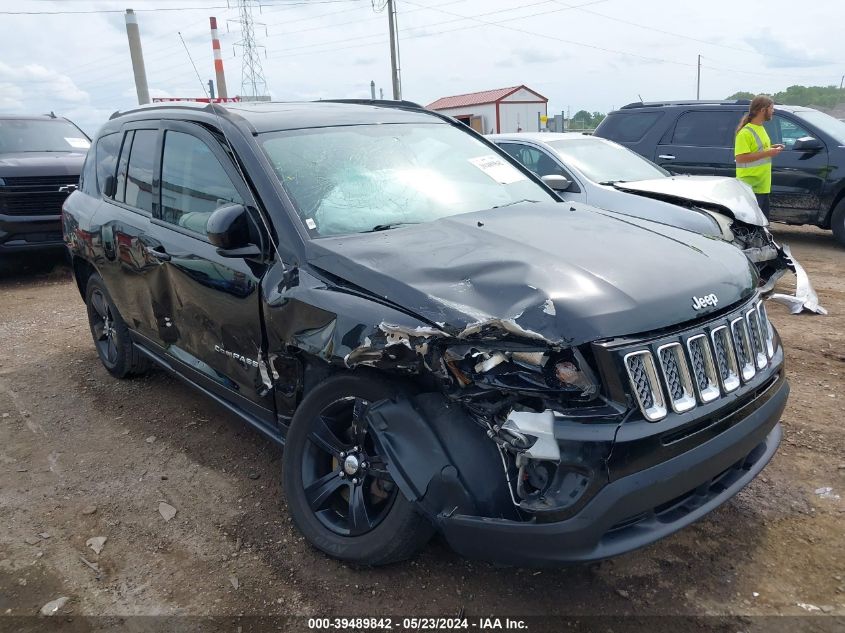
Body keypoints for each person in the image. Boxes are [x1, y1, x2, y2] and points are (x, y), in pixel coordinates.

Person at [734, 95, 784, 219]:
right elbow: (741, 158)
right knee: (751, 225)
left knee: (762, 225)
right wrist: (768, 153)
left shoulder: (760, 128)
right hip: (751, 186)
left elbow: (757, 150)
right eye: (771, 108)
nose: (773, 111)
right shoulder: (745, 132)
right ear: (762, 110)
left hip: (762, 185)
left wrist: (771, 148)